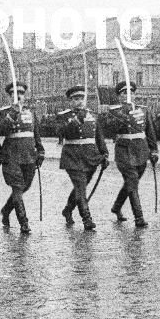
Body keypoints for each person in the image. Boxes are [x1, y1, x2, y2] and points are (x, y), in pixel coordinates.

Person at [102, 81, 158, 228]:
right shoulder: (114, 111)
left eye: (131, 93)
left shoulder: (143, 110)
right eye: (124, 93)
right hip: (124, 151)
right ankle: (139, 217)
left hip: (141, 151)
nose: (128, 96)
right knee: (132, 180)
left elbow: (150, 131)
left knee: (131, 183)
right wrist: (124, 115)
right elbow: (109, 128)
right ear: (119, 96)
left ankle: (117, 206)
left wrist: (154, 150)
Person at [57, 86, 108, 231]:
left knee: (81, 188)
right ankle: (87, 219)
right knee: (80, 187)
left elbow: (99, 137)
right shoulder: (64, 116)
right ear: (70, 101)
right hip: (72, 157)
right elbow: (61, 132)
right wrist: (76, 120)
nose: (79, 101)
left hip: (91, 157)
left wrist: (105, 154)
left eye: (81, 98)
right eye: (76, 99)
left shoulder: (92, 114)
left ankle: (68, 209)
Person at [0, 82, 43, 234]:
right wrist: (13, 114)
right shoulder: (4, 112)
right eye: (15, 95)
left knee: (25, 187)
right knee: (17, 188)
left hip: (29, 156)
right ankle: (24, 222)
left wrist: (40, 151)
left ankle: (6, 210)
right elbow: (0, 129)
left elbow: (36, 134)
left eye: (21, 94)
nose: (18, 97)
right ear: (10, 97)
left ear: (24, 96)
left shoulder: (31, 112)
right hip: (11, 156)